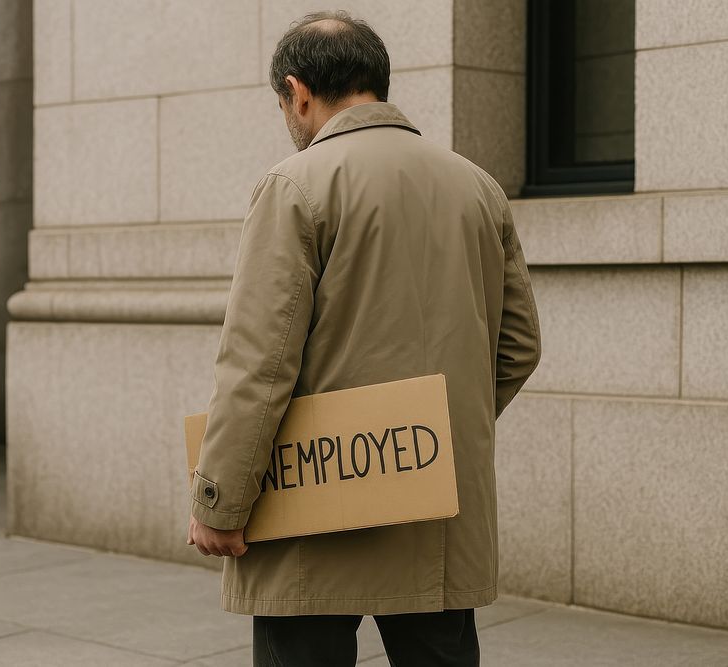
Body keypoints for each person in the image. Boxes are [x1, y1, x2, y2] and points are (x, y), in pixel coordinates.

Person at [186, 10, 541, 666]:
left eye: (285, 106)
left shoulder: (296, 185)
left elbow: (258, 362)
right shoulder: (478, 187)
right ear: (376, 81)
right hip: (434, 508)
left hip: (314, 512)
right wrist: (422, 436)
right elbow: (519, 346)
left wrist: (220, 499)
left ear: (298, 93)